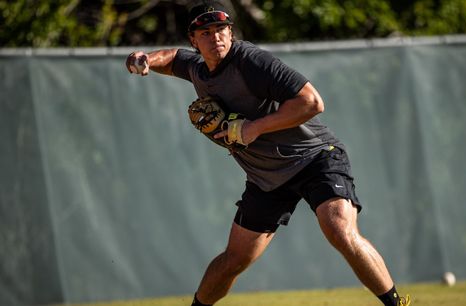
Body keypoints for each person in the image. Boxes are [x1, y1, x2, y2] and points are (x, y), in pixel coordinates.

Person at [125, 1, 411, 305]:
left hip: (315, 157)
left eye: (221, 29)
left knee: (339, 228)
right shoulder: (198, 69)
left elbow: (312, 102)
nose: (216, 37)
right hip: (266, 178)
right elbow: (172, 58)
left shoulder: (251, 62)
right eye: (205, 32)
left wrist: (255, 127)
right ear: (194, 40)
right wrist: (143, 58)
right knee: (234, 260)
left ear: (231, 32)